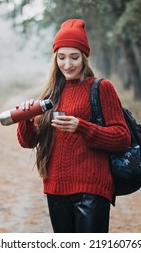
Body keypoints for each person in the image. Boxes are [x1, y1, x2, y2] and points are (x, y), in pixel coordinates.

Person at [16, 19, 131, 233]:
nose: (67, 64)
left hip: (92, 188)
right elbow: (28, 142)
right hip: (55, 188)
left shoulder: (101, 88)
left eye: (74, 57)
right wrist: (25, 117)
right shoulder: (50, 94)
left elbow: (122, 137)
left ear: (84, 58)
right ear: (55, 58)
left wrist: (81, 127)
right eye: (61, 57)